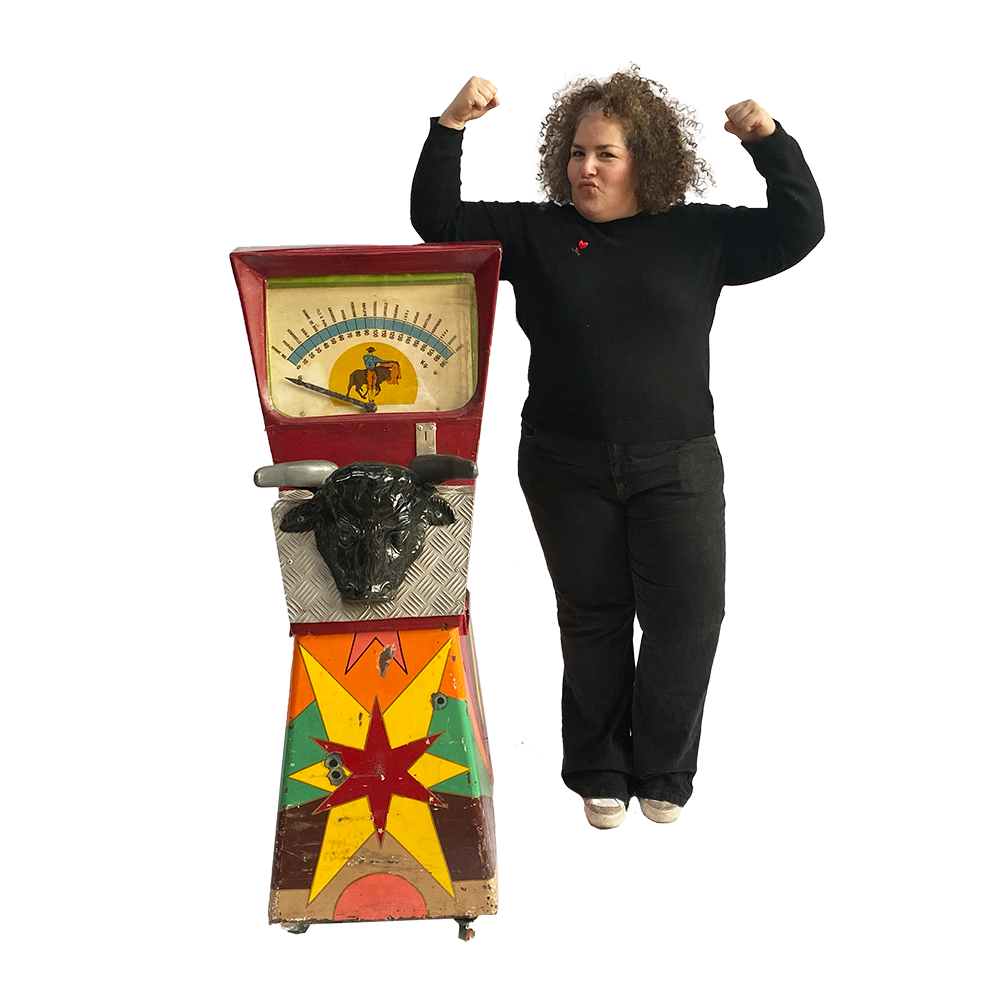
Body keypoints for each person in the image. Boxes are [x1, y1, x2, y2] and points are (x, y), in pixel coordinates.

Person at [411, 69, 823, 829]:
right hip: (564, 463)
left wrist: (769, 143)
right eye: (577, 153)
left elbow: (799, 230)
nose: (586, 168)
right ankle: (600, 767)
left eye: (605, 154)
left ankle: (663, 768)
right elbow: (436, 221)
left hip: (678, 464)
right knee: (593, 617)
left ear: (645, 163)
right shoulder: (536, 234)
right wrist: (450, 127)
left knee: (689, 619)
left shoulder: (699, 235)